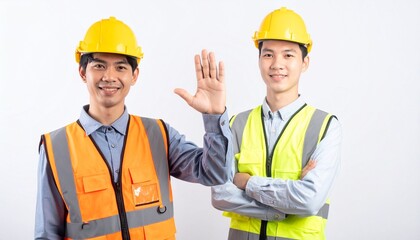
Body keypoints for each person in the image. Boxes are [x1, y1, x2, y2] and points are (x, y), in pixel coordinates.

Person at [34, 16, 232, 240]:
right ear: (82, 73)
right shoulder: (56, 146)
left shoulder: (158, 134)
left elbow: (215, 173)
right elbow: (46, 234)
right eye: (99, 66)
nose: (109, 77)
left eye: (120, 67)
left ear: (134, 75)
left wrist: (214, 117)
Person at [211, 7, 342, 240]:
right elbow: (221, 195)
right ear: (259, 59)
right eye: (268, 54)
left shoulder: (325, 126)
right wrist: (284, 205)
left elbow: (309, 200)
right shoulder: (236, 123)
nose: (276, 64)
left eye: (288, 55)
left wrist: (247, 182)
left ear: (304, 63)